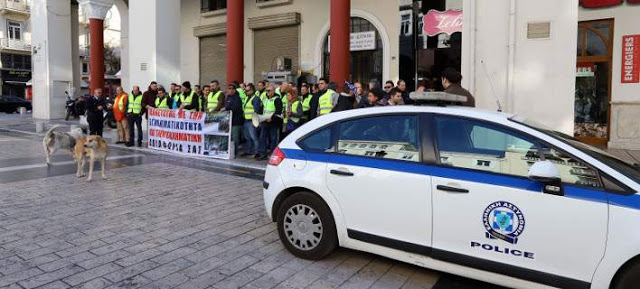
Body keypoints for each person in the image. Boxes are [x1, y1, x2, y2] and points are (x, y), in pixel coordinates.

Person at [257, 85, 283, 160]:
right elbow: (261, 109)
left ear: (273, 91)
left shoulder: (277, 99)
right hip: (265, 121)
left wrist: (271, 118)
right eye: (266, 90)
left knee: (273, 139)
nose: (267, 92)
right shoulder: (265, 99)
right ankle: (263, 153)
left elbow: (278, 111)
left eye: (269, 91)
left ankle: (273, 154)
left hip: (273, 122)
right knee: (262, 138)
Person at [223, 84, 244, 156]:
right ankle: (227, 151)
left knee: (235, 138)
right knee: (228, 137)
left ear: (235, 90)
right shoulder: (227, 98)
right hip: (229, 121)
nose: (230, 90)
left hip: (236, 122)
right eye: (229, 88)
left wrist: (226, 109)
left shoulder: (237, 98)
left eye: (232, 89)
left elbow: (234, 108)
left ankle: (235, 153)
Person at [243, 83, 261, 157]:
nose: (246, 92)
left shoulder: (255, 98)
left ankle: (257, 152)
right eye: (245, 91)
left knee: (254, 137)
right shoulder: (247, 98)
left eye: (248, 90)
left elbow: (256, 111)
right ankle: (248, 151)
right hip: (246, 120)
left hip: (252, 120)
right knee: (247, 137)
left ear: (252, 90)